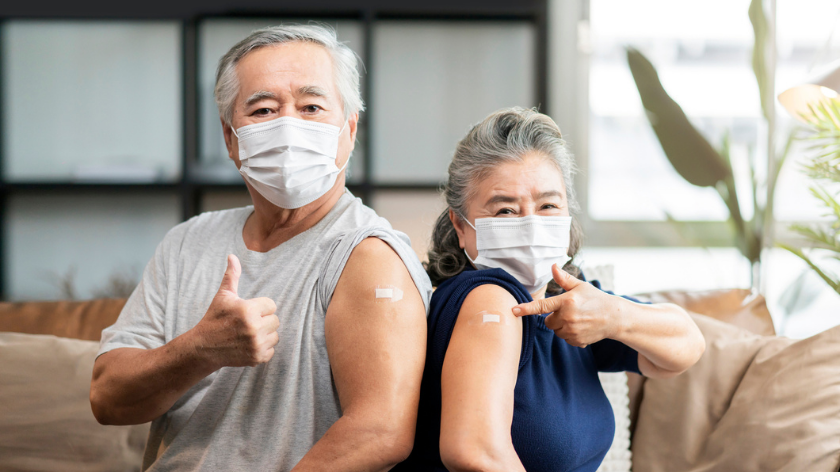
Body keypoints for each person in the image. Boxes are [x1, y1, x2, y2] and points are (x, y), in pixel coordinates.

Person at [89, 25, 432, 471]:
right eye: (264, 109)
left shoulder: (369, 256)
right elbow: (107, 399)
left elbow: (379, 432)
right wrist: (200, 349)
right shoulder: (187, 242)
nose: (289, 125)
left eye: (311, 107)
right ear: (231, 138)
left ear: (349, 131)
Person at [395, 107, 705, 471]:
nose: (530, 223)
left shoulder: (570, 301)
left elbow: (686, 347)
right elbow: (474, 451)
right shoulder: (488, 298)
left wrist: (613, 317)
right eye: (505, 211)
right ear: (460, 226)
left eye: (547, 205)